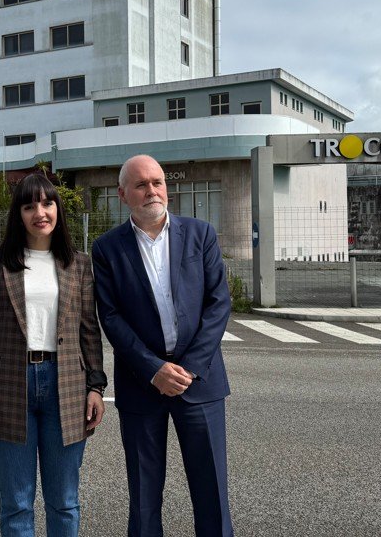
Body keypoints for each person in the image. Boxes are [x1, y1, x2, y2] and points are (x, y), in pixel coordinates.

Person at [92, 155, 234, 536]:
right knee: (143, 496)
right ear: (123, 194)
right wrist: (153, 368)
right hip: (143, 384)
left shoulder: (200, 234)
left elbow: (219, 303)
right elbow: (111, 316)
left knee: (212, 493)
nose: (151, 191)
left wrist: (188, 368)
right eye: (141, 185)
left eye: (157, 182)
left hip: (198, 382)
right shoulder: (107, 248)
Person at [0, 173, 108, 536]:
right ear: (19, 214)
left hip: (68, 385)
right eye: (29, 206)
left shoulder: (78, 264)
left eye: (47, 203)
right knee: (16, 503)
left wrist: (96, 386)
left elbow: (89, 331)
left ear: (58, 208)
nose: (39, 213)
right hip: (9, 385)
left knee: (64, 502)